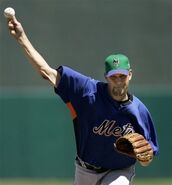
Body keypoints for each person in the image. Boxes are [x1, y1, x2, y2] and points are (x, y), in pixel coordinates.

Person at [7, 15, 159, 185]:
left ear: (129, 75)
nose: (118, 80)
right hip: (84, 170)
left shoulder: (139, 110)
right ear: (105, 77)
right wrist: (21, 38)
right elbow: (46, 72)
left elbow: (147, 158)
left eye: (122, 76)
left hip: (119, 172)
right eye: (113, 76)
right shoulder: (87, 90)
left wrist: (143, 157)